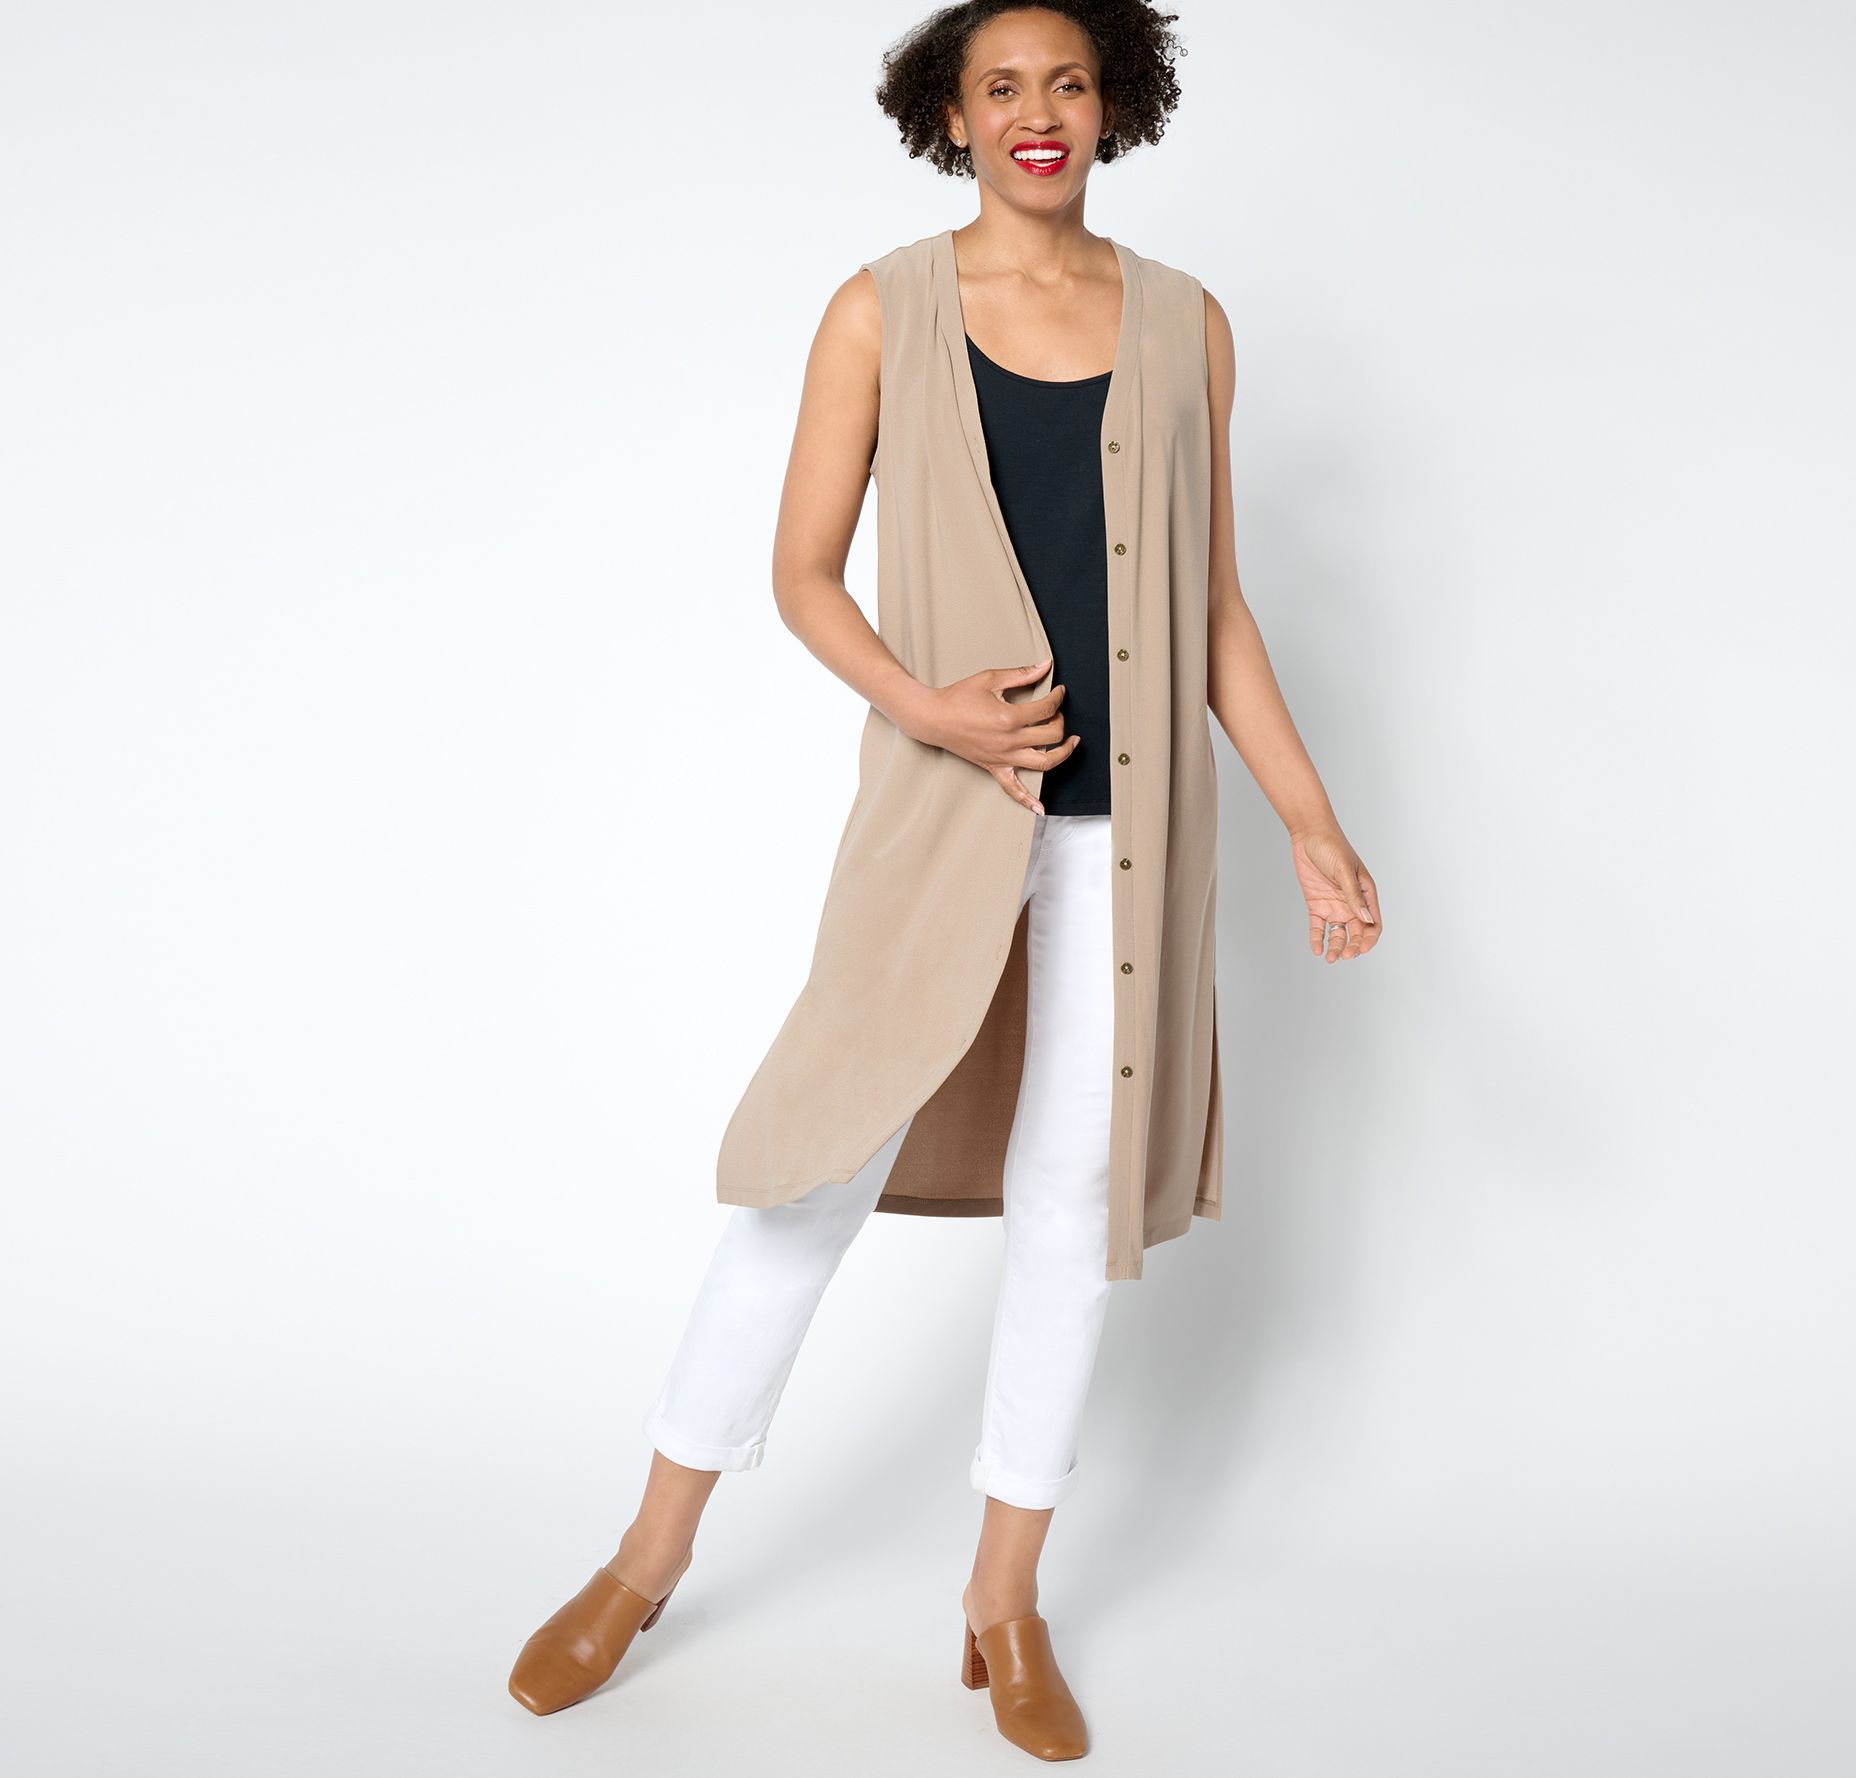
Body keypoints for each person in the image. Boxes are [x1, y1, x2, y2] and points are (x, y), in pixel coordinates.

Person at [505, 1, 1380, 1760]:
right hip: (939, 818)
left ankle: (1003, 1597)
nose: (1036, 111)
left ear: (1114, 104)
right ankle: (644, 1560)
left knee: (1071, 1201)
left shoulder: (1186, 323)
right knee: (811, 1176)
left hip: (1129, 839)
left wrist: (1309, 816)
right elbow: (802, 572)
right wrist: (929, 708)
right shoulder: (879, 309)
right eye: (1001, 86)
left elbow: (1211, 607)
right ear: (952, 116)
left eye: (1068, 82)